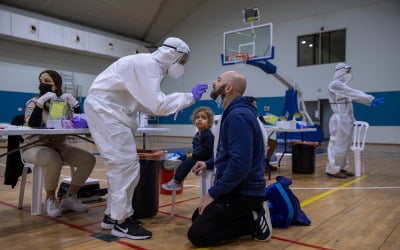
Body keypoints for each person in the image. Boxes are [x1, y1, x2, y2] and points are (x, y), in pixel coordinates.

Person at [84, 37, 208, 240]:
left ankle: (111, 216)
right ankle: (121, 222)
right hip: (106, 111)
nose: (182, 65)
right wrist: (188, 97)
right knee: (125, 166)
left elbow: (145, 103)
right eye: (182, 60)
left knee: (121, 166)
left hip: (111, 111)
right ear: (172, 54)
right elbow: (157, 105)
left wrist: (182, 100)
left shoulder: (151, 67)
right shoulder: (147, 65)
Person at [188, 71, 272, 247]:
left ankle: (252, 220)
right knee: (197, 217)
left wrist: (213, 194)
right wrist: (209, 163)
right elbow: (229, 155)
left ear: (228, 88)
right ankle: (245, 215)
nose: (213, 82)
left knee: (198, 235)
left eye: (218, 80)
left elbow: (240, 165)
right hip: (236, 188)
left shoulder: (237, 116)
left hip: (245, 192)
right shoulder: (234, 112)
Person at [22, 69, 96, 217]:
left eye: (47, 82)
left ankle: (70, 197)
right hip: (34, 146)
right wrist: (40, 104)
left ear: (57, 85)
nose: (43, 84)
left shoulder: (63, 103)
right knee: (53, 159)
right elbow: (34, 124)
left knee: (88, 159)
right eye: (41, 81)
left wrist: (75, 105)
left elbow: (78, 123)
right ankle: (50, 198)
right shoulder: (32, 102)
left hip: (59, 146)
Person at [326, 63, 385, 178]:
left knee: (345, 145)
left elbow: (354, 96)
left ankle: (341, 167)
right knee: (339, 144)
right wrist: (370, 99)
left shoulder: (341, 86)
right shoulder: (335, 85)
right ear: (341, 72)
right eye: (347, 71)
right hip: (340, 119)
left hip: (346, 118)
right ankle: (333, 169)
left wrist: (368, 102)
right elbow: (353, 93)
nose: (349, 74)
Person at [162, 106, 214, 190]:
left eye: (203, 118)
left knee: (188, 161)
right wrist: (190, 154)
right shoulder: (198, 134)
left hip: (205, 158)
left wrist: (192, 155)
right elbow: (195, 149)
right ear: (194, 121)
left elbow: (206, 152)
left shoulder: (207, 134)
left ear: (209, 123)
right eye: (197, 117)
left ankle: (177, 181)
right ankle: (175, 162)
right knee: (184, 156)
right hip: (198, 155)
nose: (200, 119)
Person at [248, 96, 278, 171]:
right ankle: (261, 164)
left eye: (256, 104)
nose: (255, 106)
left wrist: (276, 119)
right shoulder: (248, 114)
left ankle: (266, 162)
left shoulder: (257, 115)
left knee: (274, 143)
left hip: (260, 137)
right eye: (254, 104)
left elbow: (264, 123)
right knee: (266, 144)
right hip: (253, 139)